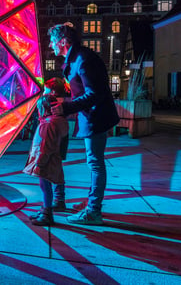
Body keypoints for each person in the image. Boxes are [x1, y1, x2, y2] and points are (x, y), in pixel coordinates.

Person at [48, 24, 119, 225]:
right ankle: (92, 207)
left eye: (53, 41)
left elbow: (94, 93)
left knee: (95, 163)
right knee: (94, 162)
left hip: (95, 117)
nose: (51, 45)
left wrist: (66, 107)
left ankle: (93, 211)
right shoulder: (77, 58)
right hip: (91, 116)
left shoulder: (83, 59)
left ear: (63, 41)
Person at [23, 94, 70, 226]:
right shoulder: (57, 121)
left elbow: (45, 146)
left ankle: (47, 213)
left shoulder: (48, 124)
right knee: (46, 185)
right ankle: (45, 209)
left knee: (45, 186)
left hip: (45, 161)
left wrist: (39, 163)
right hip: (52, 159)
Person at [43, 77, 71, 211]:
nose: (44, 91)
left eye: (46, 89)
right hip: (61, 140)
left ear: (52, 90)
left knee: (53, 169)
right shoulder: (62, 103)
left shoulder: (53, 103)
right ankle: (59, 198)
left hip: (54, 141)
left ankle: (58, 199)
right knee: (58, 168)